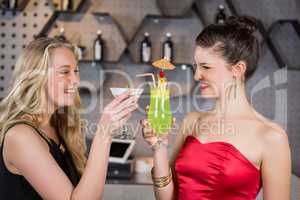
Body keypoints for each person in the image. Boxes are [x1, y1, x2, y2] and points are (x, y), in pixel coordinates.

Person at [141, 16, 291, 200]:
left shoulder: (271, 136)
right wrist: (159, 148)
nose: (197, 75)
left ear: (238, 69)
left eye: (205, 67)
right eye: (196, 67)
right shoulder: (193, 120)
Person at [0, 37, 138, 199]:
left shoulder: (59, 125)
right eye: (65, 72)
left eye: (76, 71)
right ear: (36, 77)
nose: (76, 80)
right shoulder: (20, 136)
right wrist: (103, 135)